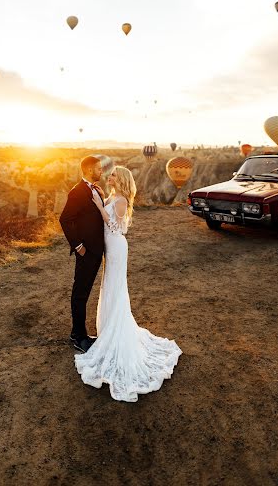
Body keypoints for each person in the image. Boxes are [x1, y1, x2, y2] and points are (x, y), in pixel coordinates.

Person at [74, 165, 182, 402]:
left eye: (112, 174)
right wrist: (101, 202)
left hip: (117, 248)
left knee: (115, 288)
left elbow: (115, 227)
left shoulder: (121, 200)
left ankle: (116, 331)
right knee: (109, 287)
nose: (109, 176)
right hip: (109, 249)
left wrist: (101, 207)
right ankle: (107, 328)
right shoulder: (112, 196)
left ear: (120, 179)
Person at [59, 156, 105, 354]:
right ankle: (79, 338)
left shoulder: (93, 189)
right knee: (80, 294)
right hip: (86, 252)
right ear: (88, 170)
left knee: (84, 294)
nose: (101, 171)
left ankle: (76, 332)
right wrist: (78, 246)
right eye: (98, 169)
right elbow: (65, 219)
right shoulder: (77, 192)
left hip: (96, 250)